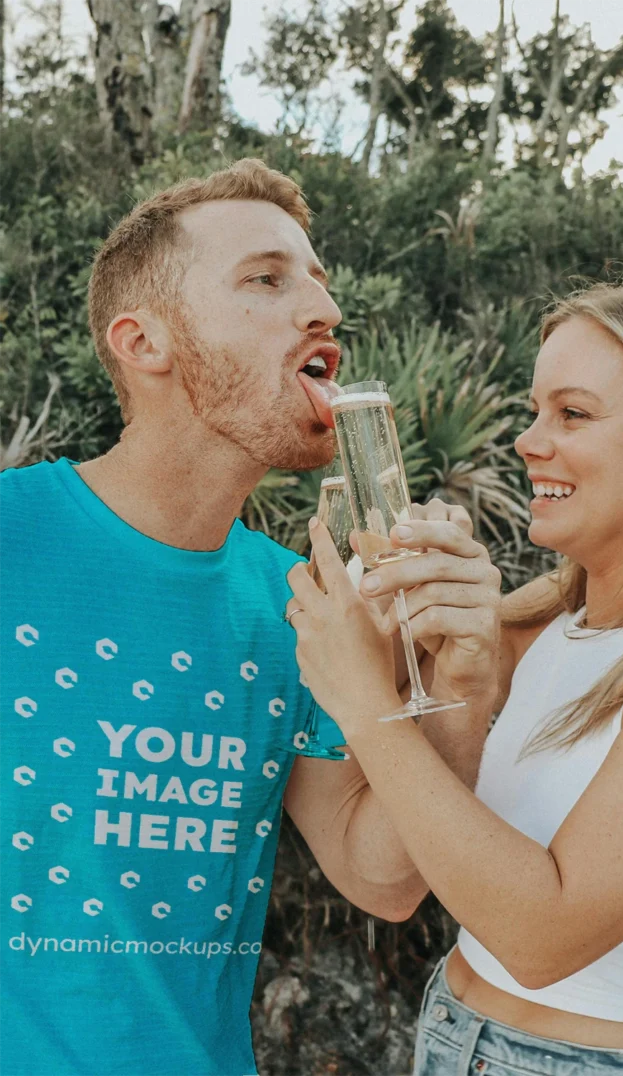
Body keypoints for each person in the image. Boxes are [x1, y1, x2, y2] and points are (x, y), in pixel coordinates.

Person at [0, 158, 500, 1076]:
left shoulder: (299, 603)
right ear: (143, 341)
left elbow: (381, 877)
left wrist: (464, 681)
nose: (323, 310)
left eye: (317, 280)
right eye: (267, 280)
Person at [287, 278, 623, 1076]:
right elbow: (387, 871)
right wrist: (448, 667)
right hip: (448, 1027)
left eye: (572, 413)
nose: (528, 441)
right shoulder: (543, 617)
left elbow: (543, 937)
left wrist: (367, 702)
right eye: (536, 409)